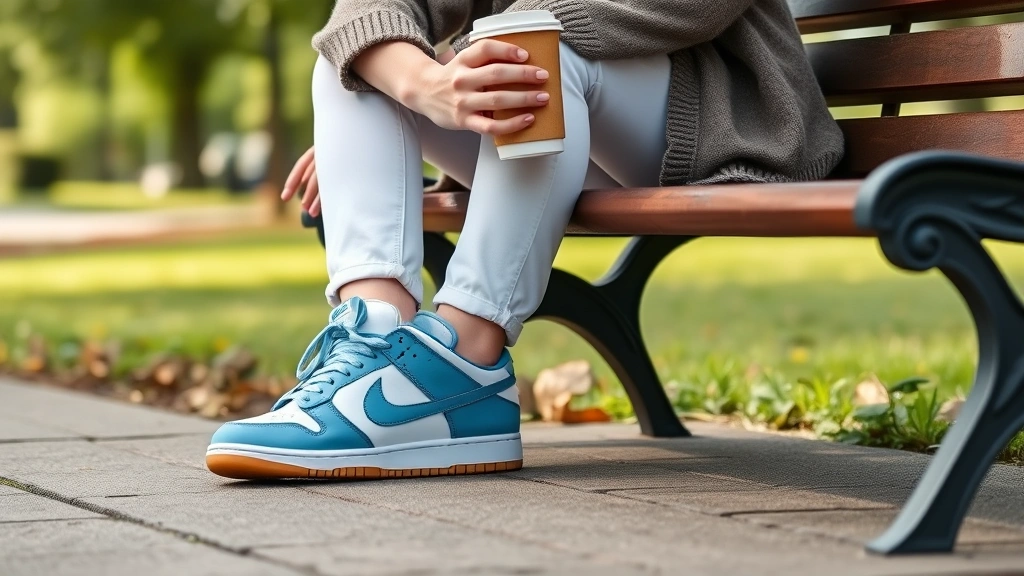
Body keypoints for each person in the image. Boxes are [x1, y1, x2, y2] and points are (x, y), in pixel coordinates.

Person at [205, 0, 844, 480]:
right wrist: (424, 87)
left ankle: (462, 360)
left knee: (531, 51)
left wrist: (481, 58)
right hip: (549, 110)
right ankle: (374, 345)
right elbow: (368, 13)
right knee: (355, 58)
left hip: (714, 123)